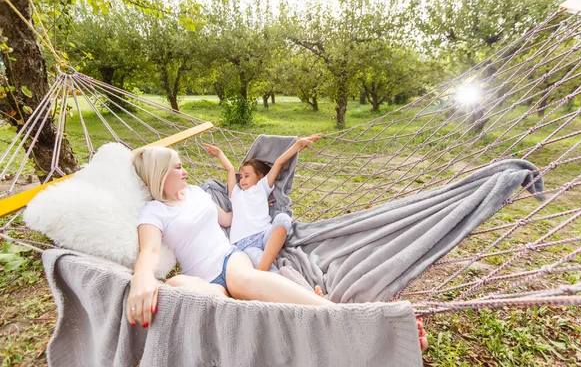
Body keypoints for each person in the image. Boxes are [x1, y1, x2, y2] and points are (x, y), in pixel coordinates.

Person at [126, 146, 428, 352]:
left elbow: (229, 220)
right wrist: (142, 279)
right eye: (178, 167)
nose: (186, 171)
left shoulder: (196, 194)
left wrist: (263, 211)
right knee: (176, 285)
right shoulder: (154, 212)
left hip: (231, 261)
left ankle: (354, 321)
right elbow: (149, 252)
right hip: (206, 283)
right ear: (161, 173)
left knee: (242, 282)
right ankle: (296, 322)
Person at [203, 134, 320, 272]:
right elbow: (229, 169)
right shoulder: (235, 193)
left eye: (247, 175)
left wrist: (298, 145)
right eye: (241, 177)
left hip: (265, 234)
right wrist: (219, 153)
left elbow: (278, 163)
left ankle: (265, 270)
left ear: (260, 177)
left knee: (283, 218)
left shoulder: (262, 187)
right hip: (246, 243)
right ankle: (271, 274)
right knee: (264, 265)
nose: (242, 180)